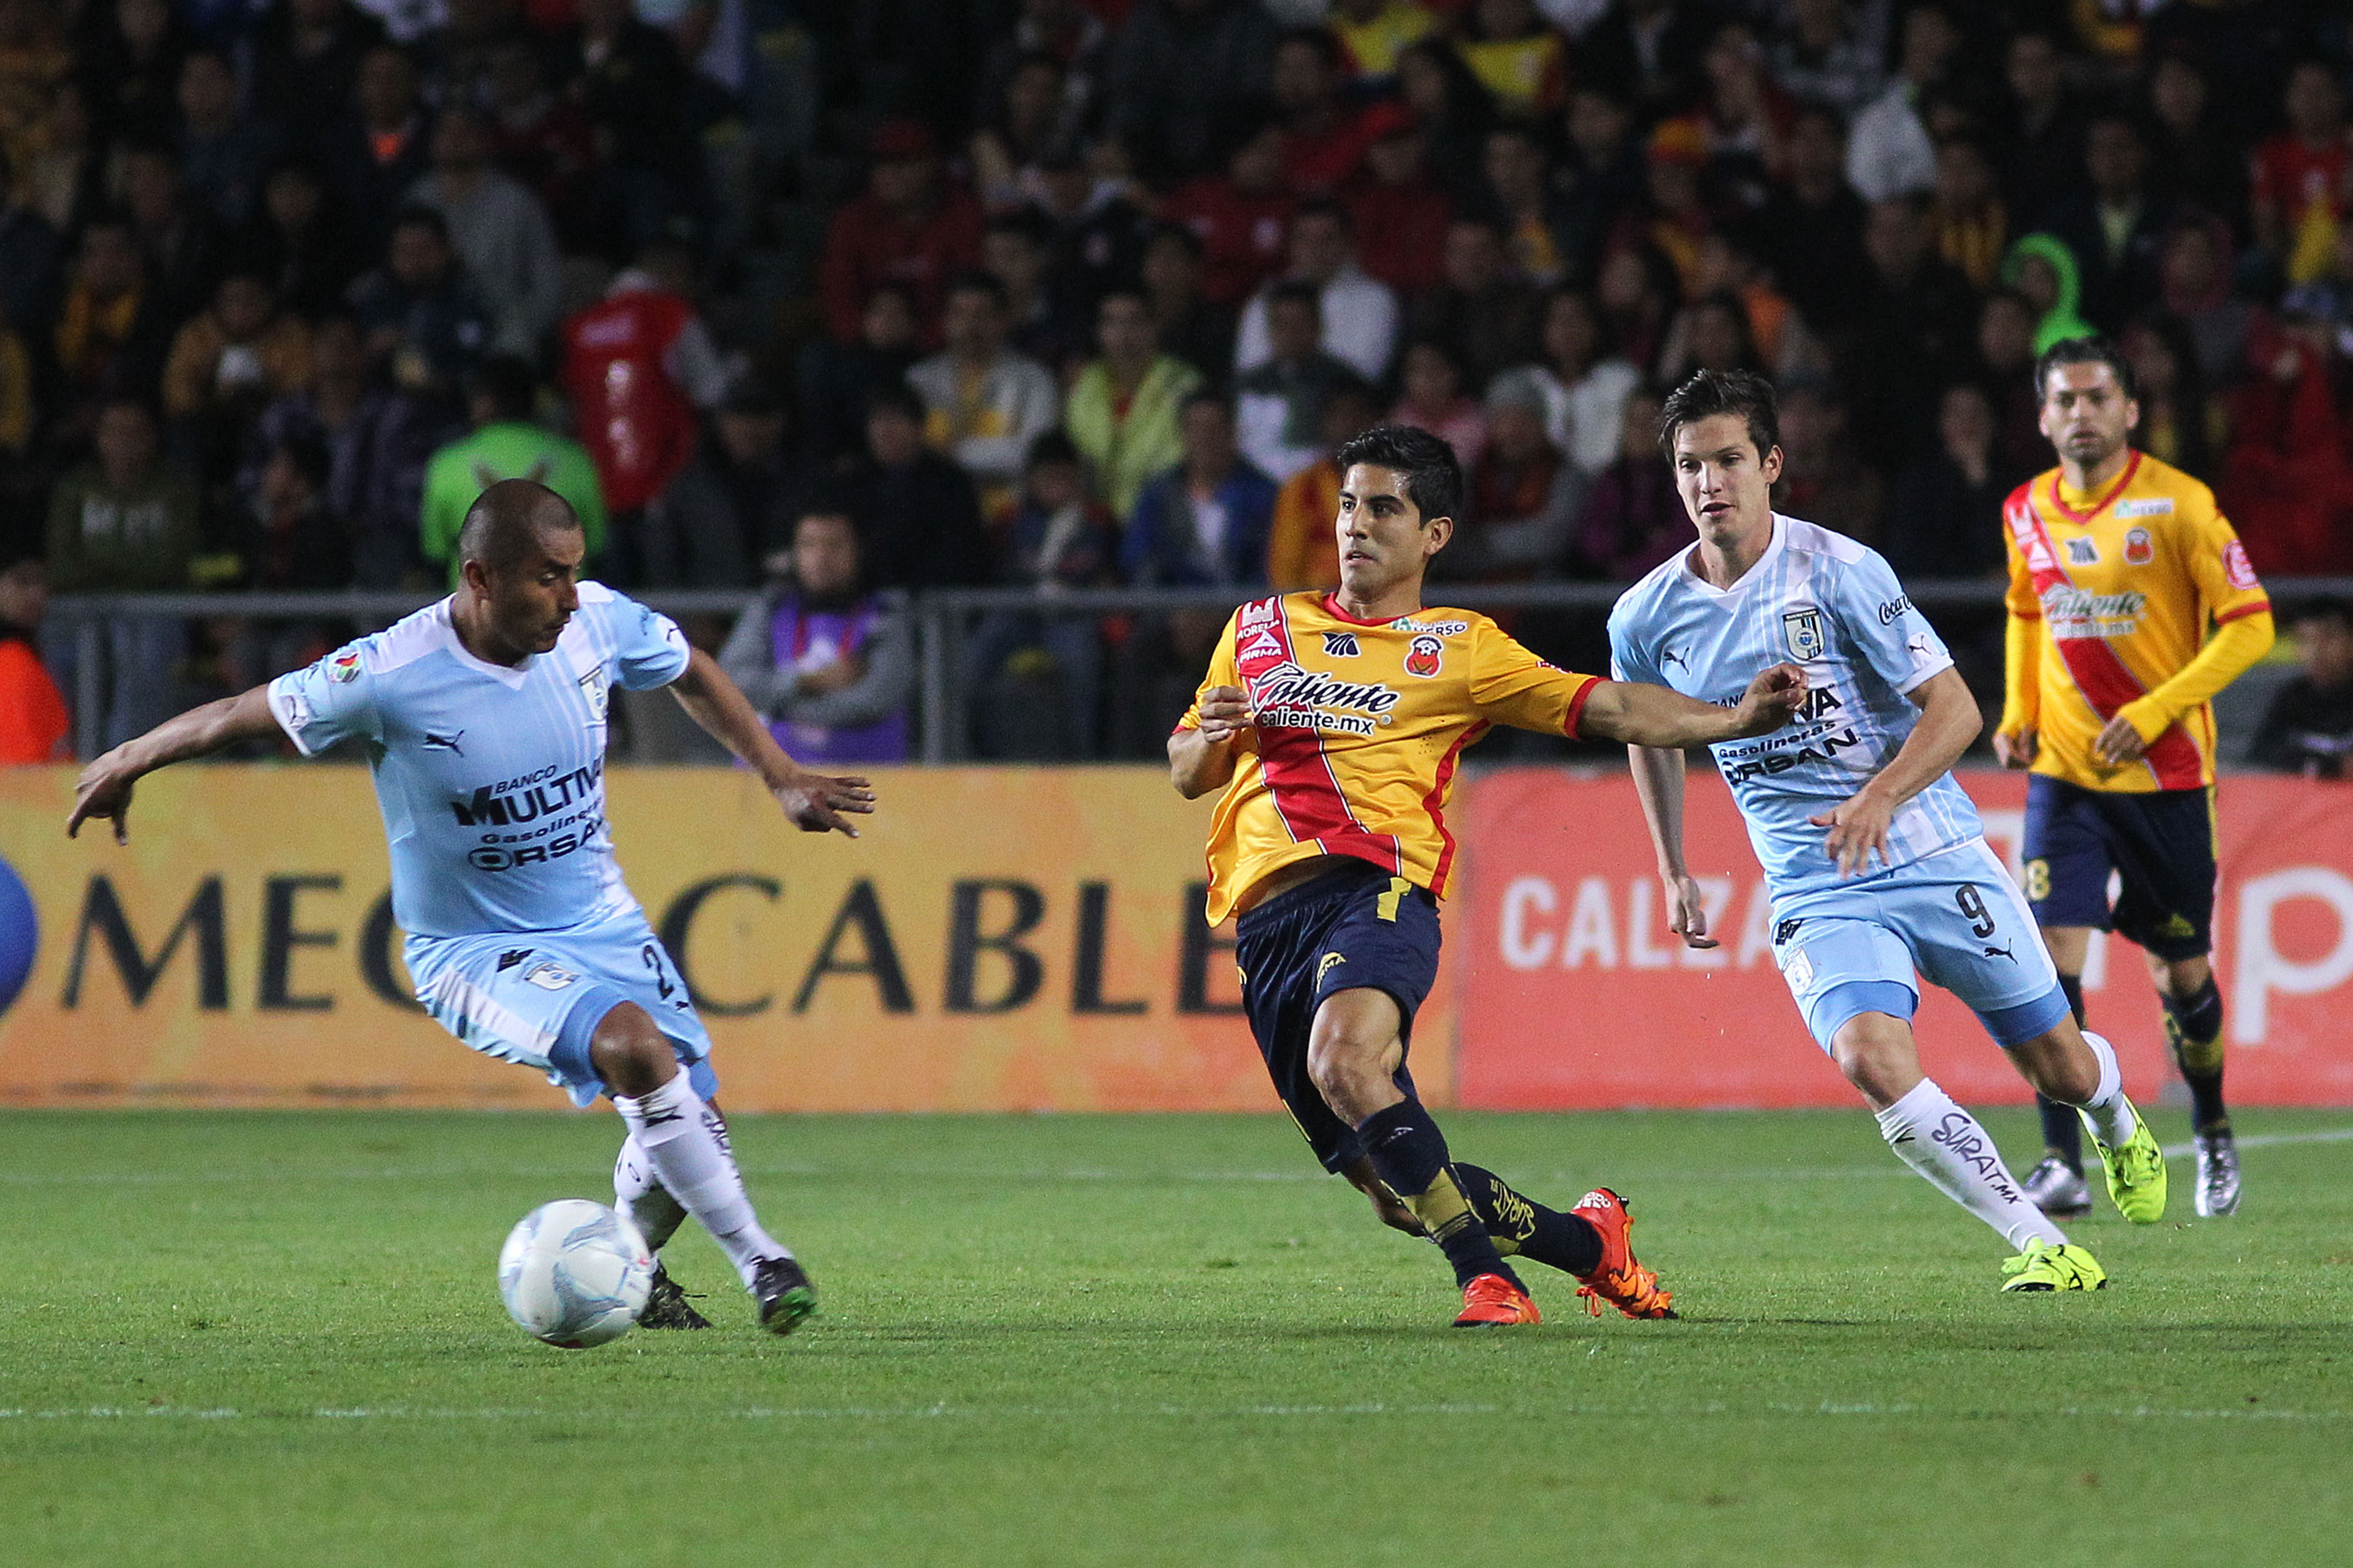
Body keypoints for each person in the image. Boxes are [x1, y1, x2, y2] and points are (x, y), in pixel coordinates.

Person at [66, 479, 873, 1333]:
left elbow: (689, 670)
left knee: (688, 1116)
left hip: (604, 919)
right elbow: (241, 710)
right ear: (482, 577)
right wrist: (130, 757)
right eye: (546, 579)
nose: (568, 598)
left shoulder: (598, 619)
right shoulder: (388, 673)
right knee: (634, 1047)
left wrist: (779, 773)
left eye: (573, 572)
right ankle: (763, 1261)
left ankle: (627, 1269)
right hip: (470, 948)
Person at [1168, 421, 1808, 1327]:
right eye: (1350, 504)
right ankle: (1592, 1246)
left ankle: (1488, 1280)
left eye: (1384, 508)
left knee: (1345, 1058)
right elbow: (1189, 769)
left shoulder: (1458, 648)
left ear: (1434, 535)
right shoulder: (1261, 628)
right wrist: (1215, 729)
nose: (1356, 525)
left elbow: (1609, 703)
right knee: (1399, 1192)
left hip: (1374, 889)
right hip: (1266, 930)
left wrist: (1733, 717)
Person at [1613, 369, 2167, 1295]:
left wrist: (1879, 796)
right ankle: (2040, 1241)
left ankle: (2112, 1112)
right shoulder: (1645, 614)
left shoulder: (1839, 570)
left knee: (2059, 1063)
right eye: (1689, 465)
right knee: (1869, 1056)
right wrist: (1674, 868)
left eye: (1727, 459)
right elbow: (1648, 730)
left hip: (1931, 850)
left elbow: (1954, 712)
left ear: (1771, 464)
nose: (1709, 481)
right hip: (1815, 880)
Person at [1996, 338, 2275, 1220]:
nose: (2081, 412)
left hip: (2167, 777)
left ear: (2130, 410)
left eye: (2096, 396)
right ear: (2043, 419)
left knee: (2179, 971)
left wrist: (2157, 710)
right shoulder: (2025, 509)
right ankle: (2062, 1161)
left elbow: (2251, 626)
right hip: (2065, 778)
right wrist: (2016, 711)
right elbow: (2025, 611)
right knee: (2047, 963)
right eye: (2064, 400)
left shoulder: (2182, 504)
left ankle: (2214, 1126)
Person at [718, 507, 915, 767]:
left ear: (859, 552)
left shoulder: (885, 617)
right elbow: (730, 683)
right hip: (770, 785)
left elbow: (873, 700)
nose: (821, 557)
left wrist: (776, 708)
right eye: (809, 545)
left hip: (869, 784)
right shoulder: (770, 610)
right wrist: (808, 682)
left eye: (835, 545)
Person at [420, 355, 606, 584]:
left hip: (479, 610)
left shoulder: (447, 464)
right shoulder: (576, 460)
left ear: (483, 401)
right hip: (563, 611)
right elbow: (597, 545)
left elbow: (434, 551)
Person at [2248, 600, 2353, 778]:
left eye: (2329, 638)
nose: (2316, 651)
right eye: (2306, 640)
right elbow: (2259, 758)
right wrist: (2329, 767)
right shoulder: (2292, 697)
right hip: (2303, 802)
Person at [0, 552, 70, 763]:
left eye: (41, 582)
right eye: (23, 582)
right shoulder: (13, 662)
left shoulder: (26, 659)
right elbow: (24, 767)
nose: (37, 594)